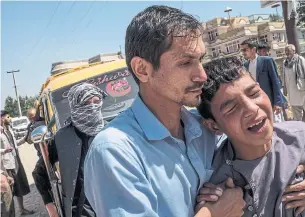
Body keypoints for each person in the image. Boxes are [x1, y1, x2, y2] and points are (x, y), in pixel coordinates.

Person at [84, 5, 245, 217]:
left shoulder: (205, 127)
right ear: (142, 69)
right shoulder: (115, 151)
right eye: (186, 62)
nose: (202, 75)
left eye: (200, 60)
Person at [196, 56, 305, 216]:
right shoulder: (216, 185)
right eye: (231, 108)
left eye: (254, 93)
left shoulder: (300, 138)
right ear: (214, 125)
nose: (251, 108)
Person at [32, 82, 106, 217]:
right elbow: (39, 173)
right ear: (76, 105)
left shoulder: (112, 133)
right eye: (86, 103)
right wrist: (51, 207)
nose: (93, 107)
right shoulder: (62, 137)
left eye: (96, 101)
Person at [0, 110, 35, 215]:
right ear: (1, 118)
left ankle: (22, 209)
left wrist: (25, 139)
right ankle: (10, 213)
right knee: (9, 192)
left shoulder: (8, 129)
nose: (9, 118)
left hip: (15, 160)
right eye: (7, 117)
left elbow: (14, 143)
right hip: (6, 165)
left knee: (19, 186)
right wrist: (4, 150)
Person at [241, 39, 284, 116]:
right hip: (255, 104)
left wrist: (277, 103)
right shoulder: (245, 65)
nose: (243, 52)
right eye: (242, 50)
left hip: (270, 102)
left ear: (253, 49)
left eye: (245, 50)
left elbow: (275, 82)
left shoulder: (267, 61)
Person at [256, 42, 289, 122]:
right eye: (264, 51)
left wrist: (278, 101)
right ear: (258, 51)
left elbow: (276, 80)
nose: (267, 53)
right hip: (263, 100)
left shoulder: (269, 61)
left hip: (275, 97)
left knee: (279, 120)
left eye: (267, 51)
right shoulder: (253, 65)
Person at [282, 44, 305, 121]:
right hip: (292, 92)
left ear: (294, 51)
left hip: (302, 90)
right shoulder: (285, 62)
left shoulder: (300, 59)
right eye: (286, 50)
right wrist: (284, 88)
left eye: (288, 50)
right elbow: (284, 76)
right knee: (297, 115)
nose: (286, 52)